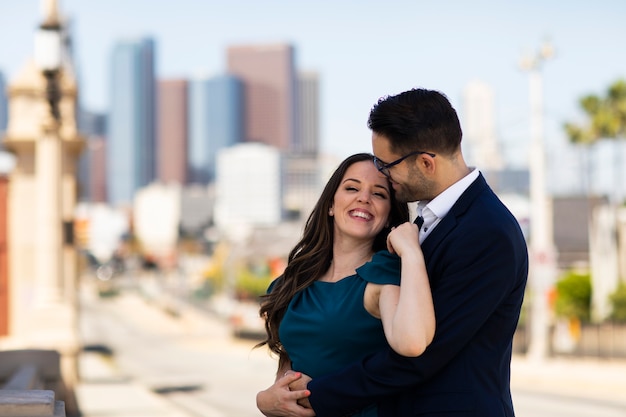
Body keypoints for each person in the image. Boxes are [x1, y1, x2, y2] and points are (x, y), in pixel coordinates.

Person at [260, 88, 529, 417]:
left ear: (426, 163)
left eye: (386, 167)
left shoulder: (487, 232)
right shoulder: (425, 223)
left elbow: (419, 356)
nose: (382, 174)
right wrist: (269, 399)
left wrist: (311, 398)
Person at [256, 153, 436, 417]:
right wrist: (264, 401)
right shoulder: (296, 279)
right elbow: (287, 373)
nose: (363, 197)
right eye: (352, 188)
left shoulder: (383, 275)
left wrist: (411, 253)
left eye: (379, 194)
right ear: (331, 204)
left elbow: (412, 343)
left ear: (388, 216)